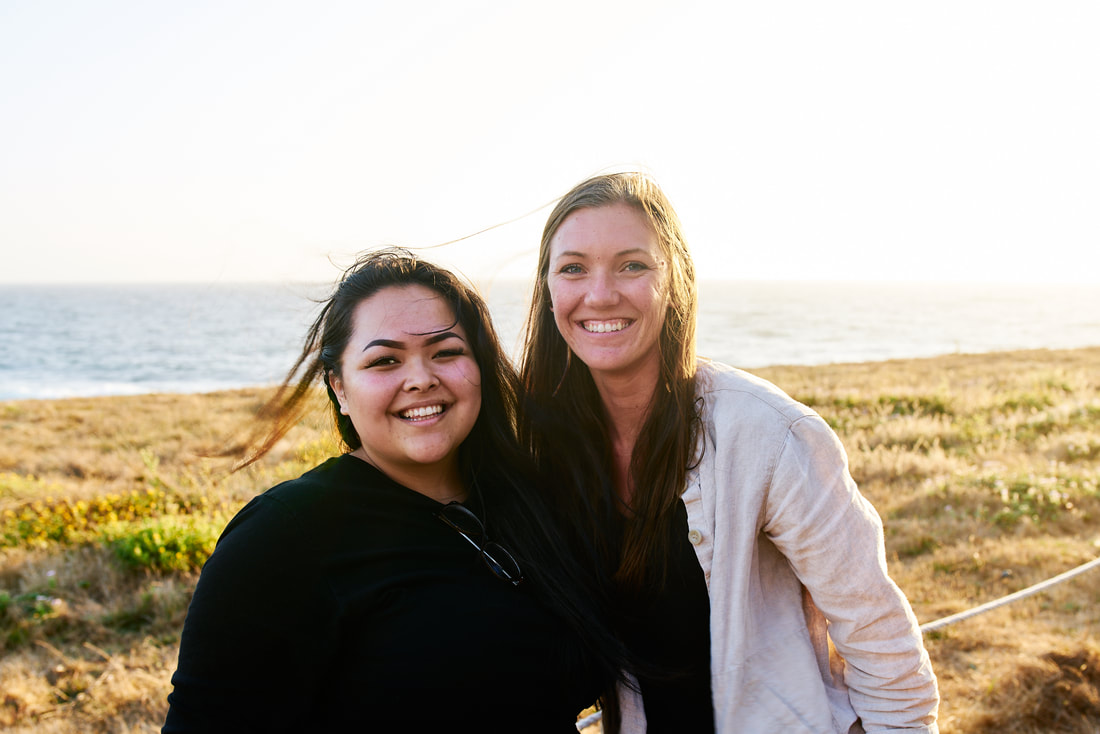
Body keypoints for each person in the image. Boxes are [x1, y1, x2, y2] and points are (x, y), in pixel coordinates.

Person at [519, 172, 940, 733]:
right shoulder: (544, 445)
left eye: (632, 265)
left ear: (675, 282)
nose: (599, 293)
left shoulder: (768, 435)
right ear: (548, 288)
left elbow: (882, 642)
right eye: (573, 268)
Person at [163, 248, 631, 733]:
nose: (421, 379)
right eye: (385, 360)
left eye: (446, 353)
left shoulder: (528, 501)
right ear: (339, 388)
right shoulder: (285, 535)